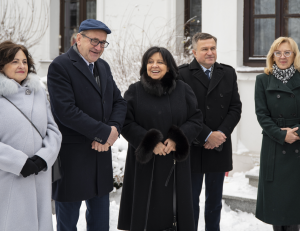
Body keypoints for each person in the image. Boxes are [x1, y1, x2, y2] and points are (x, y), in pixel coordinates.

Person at [47, 19, 127, 231]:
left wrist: (114, 130)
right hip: (73, 158)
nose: (98, 47)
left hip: (100, 157)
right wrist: (104, 134)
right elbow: (66, 111)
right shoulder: (60, 66)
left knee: (100, 223)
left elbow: (119, 102)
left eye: (103, 43)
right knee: (68, 223)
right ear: (79, 38)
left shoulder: (103, 66)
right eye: (94, 40)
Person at [118, 46, 203, 231]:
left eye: (160, 62)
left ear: (169, 66)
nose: (154, 66)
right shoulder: (134, 91)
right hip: (144, 164)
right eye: (150, 62)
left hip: (175, 164)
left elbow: (196, 119)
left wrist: (177, 139)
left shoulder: (183, 89)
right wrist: (149, 142)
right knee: (145, 216)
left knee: (175, 215)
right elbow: (125, 123)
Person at [178, 32, 242, 231]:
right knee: (190, 201)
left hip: (219, 147)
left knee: (214, 202)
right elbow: (181, 112)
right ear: (194, 51)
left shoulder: (228, 73)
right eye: (205, 49)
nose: (210, 52)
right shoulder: (182, 74)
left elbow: (235, 108)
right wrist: (206, 134)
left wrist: (220, 135)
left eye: (212, 48)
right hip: (193, 146)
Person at [0, 41, 62, 231]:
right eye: (14, 61)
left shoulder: (38, 92)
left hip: (39, 175)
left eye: (24, 61)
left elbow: (53, 130)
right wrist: (19, 162)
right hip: (8, 176)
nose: (21, 66)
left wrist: (44, 159)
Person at [255, 37, 300, 231]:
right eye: (278, 52)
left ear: (294, 55)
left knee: (294, 209)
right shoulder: (262, 80)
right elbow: (262, 114)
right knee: (277, 207)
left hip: (298, 144)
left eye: (287, 52)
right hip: (274, 146)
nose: (282, 57)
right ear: (272, 56)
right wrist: (281, 135)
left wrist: (295, 134)